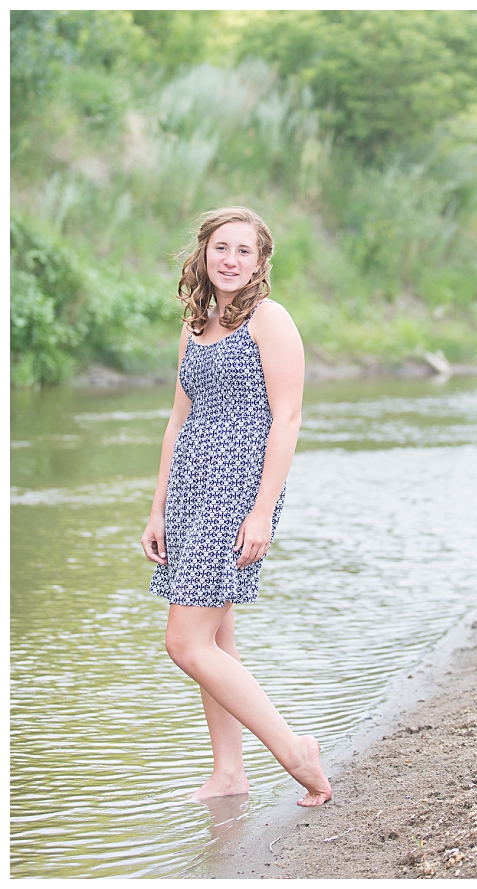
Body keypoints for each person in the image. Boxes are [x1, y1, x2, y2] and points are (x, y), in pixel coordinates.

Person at [140, 207, 331, 807]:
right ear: (203, 254)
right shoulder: (196, 323)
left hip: (235, 489)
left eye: (243, 251)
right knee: (215, 640)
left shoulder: (269, 321)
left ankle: (294, 751)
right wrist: (157, 508)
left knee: (185, 643)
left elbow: (288, 417)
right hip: (191, 489)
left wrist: (261, 510)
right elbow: (178, 419)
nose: (230, 259)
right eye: (221, 247)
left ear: (260, 262)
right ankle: (228, 774)